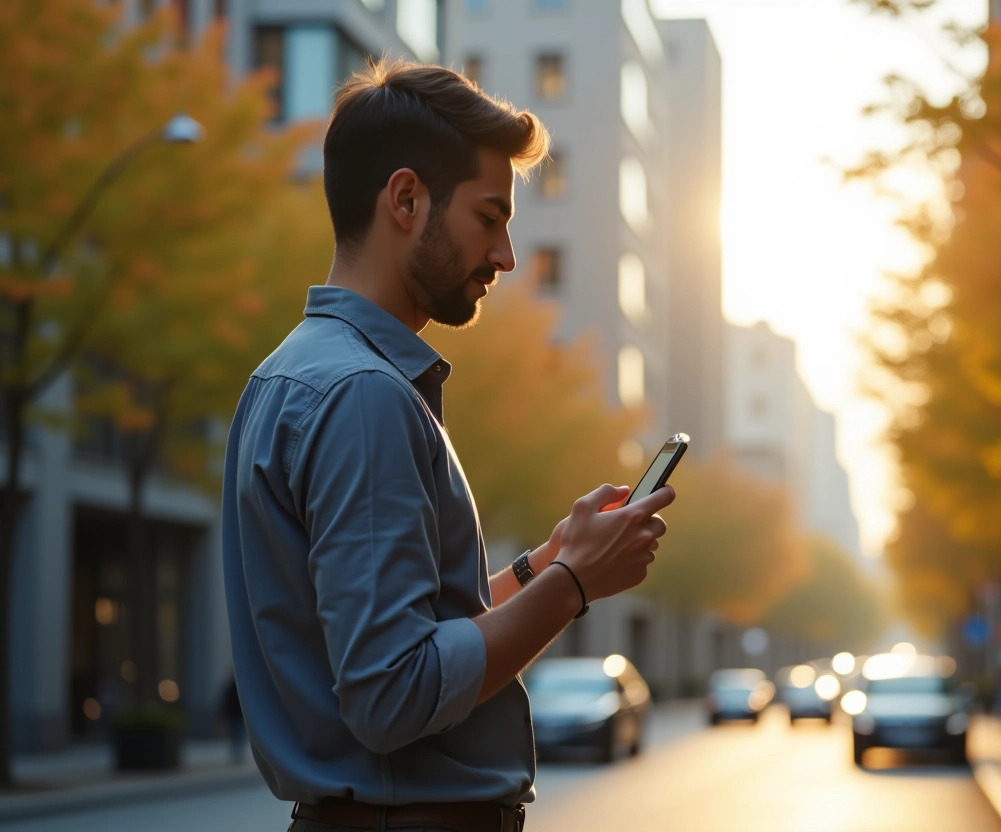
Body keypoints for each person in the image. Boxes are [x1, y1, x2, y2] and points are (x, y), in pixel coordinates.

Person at [221, 57, 675, 832]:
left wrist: (542, 564)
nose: (503, 256)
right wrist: (571, 585)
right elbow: (393, 693)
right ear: (406, 200)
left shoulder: (291, 375)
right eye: (489, 218)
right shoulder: (364, 396)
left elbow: (400, 634)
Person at [220, 672, 246, 763]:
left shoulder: (231, 688)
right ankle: (237, 754)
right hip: (238, 714)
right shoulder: (237, 687)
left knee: (236, 735)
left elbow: (225, 702)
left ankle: (236, 754)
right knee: (238, 735)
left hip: (236, 715)